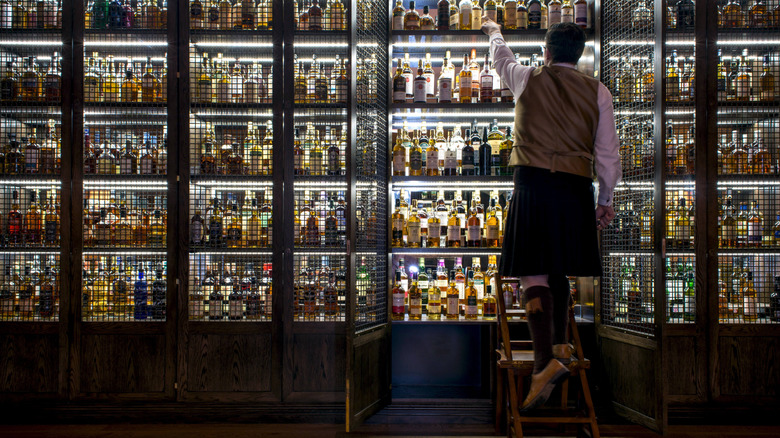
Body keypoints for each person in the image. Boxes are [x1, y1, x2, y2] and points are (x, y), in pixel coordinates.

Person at [481, 18, 621, 410]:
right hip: (576, 188)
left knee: (533, 272)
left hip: (533, 184)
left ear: (546, 51)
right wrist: (605, 199)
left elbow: (501, 58)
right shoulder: (598, 91)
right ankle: (559, 350)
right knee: (559, 269)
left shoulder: (527, 78)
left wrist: (494, 32)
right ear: (578, 56)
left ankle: (544, 363)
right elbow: (608, 154)